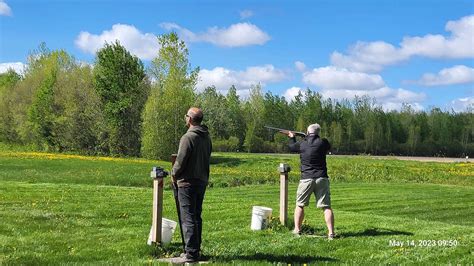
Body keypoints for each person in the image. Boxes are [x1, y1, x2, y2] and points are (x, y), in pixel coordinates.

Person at [170, 107, 212, 263]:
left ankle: (191, 254)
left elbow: (180, 162)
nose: (185, 117)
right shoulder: (206, 138)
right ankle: (195, 249)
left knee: (187, 218)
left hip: (187, 182)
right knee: (196, 217)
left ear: (190, 119)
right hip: (201, 181)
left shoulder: (188, 138)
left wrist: (173, 174)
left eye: (186, 115)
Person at [287, 123, 335, 239]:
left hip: (306, 178)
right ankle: (331, 233)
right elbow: (328, 146)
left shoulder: (302, 143)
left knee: (300, 205)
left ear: (307, 132)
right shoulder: (323, 142)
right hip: (322, 177)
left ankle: (297, 230)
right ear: (318, 132)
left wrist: (292, 137)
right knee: (326, 206)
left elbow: (292, 147)